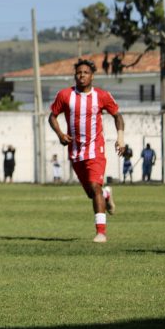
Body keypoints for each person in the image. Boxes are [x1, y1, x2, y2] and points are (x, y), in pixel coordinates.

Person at [49, 59, 124, 243]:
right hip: (75, 152)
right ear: (75, 75)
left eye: (86, 72)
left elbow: (117, 116)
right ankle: (106, 195)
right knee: (92, 193)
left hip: (95, 149)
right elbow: (52, 117)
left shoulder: (102, 96)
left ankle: (101, 232)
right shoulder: (65, 95)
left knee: (94, 187)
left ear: (92, 76)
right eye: (79, 72)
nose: (82, 75)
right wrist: (60, 134)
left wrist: (120, 138)